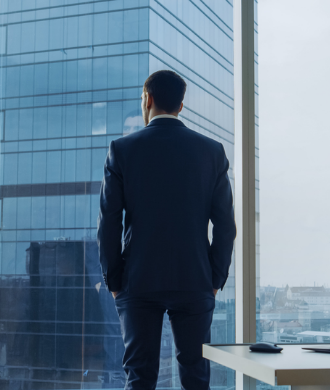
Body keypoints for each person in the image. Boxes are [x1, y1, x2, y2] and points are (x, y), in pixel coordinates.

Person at [97, 70, 236, 390]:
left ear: (148, 98)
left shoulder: (121, 150)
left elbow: (109, 222)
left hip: (139, 279)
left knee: (140, 376)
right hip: (194, 279)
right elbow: (226, 226)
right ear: (181, 106)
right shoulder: (212, 152)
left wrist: (115, 280)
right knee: (196, 376)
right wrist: (214, 278)